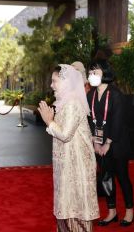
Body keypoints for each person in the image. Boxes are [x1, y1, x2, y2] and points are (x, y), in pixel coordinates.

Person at [38, 64, 99, 231]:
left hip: (77, 165)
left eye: (54, 81)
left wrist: (49, 121)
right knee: (67, 205)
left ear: (65, 81)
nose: (51, 85)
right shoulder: (65, 102)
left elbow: (65, 134)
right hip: (67, 164)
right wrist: (51, 121)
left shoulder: (72, 103)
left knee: (75, 207)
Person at [86, 59, 134, 227]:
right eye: (90, 73)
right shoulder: (90, 95)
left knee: (122, 177)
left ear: (105, 73)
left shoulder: (115, 94)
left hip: (117, 143)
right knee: (106, 178)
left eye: (95, 72)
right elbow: (90, 120)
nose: (92, 76)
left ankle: (129, 211)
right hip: (99, 144)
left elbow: (118, 121)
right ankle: (112, 211)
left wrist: (107, 143)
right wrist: (95, 141)